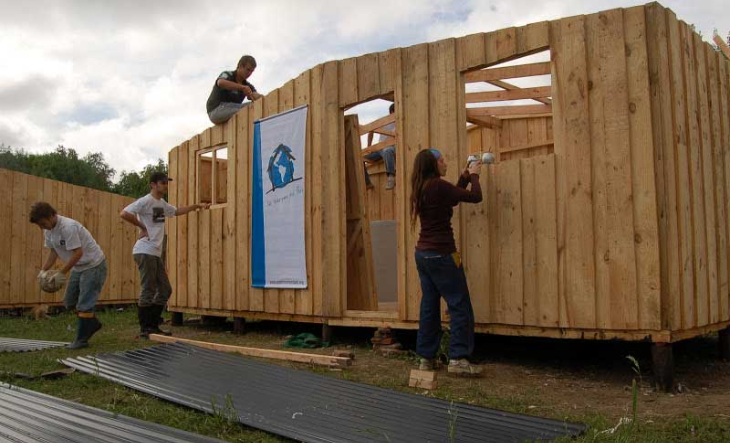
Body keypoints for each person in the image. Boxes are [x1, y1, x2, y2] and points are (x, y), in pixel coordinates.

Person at [409, 148, 483, 376]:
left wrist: (462, 177)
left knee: (429, 306)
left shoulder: (421, 187)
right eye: (441, 160)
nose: (445, 162)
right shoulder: (439, 186)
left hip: (423, 255)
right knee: (459, 304)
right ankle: (459, 359)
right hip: (443, 254)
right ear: (433, 164)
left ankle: (425, 358)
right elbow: (474, 196)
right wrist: (474, 175)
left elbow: (451, 199)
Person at [120, 172, 211, 339]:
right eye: (162, 183)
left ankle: (153, 325)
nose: (165, 185)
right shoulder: (145, 201)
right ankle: (145, 328)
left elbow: (176, 211)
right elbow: (124, 213)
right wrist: (142, 227)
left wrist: (196, 206)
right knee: (148, 289)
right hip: (144, 250)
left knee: (165, 290)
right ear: (153, 185)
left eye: (166, 183)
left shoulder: (161, 203)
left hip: (154, 252)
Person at [30, 202, 107, 349]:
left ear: (52, 216)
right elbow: (54, 252)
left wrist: (61, 273)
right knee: (69, 302)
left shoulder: (68, 227)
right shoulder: (49, 230)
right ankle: (92, 324)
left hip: (94, 265)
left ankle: (81, 340)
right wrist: (43, 271)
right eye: (39, 225)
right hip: (79, 267)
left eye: (43, 223)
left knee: (84, 304)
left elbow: (78, 253)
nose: (42, 227)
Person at [206, 55, 263, 125]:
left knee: (254, 105)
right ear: (240, 66)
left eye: (252, 71)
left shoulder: (247, 85)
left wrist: (264, 98)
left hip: (232, 108)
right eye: (248, 70)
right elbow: (220, 83)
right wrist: (242, 87)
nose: (249, 73)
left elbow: (255, 95)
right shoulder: (228, 75)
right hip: (216, 110)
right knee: (245, 110)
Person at [364, 103, 396, 190]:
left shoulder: (400, 121)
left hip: (392, 147)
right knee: (359, 158)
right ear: (391, 112)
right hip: (379, 149)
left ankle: (391, 177)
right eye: (395, 112)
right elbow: (371, 130)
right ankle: (367, 183)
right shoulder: (385, 121)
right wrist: (369, 147)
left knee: (387, 150)